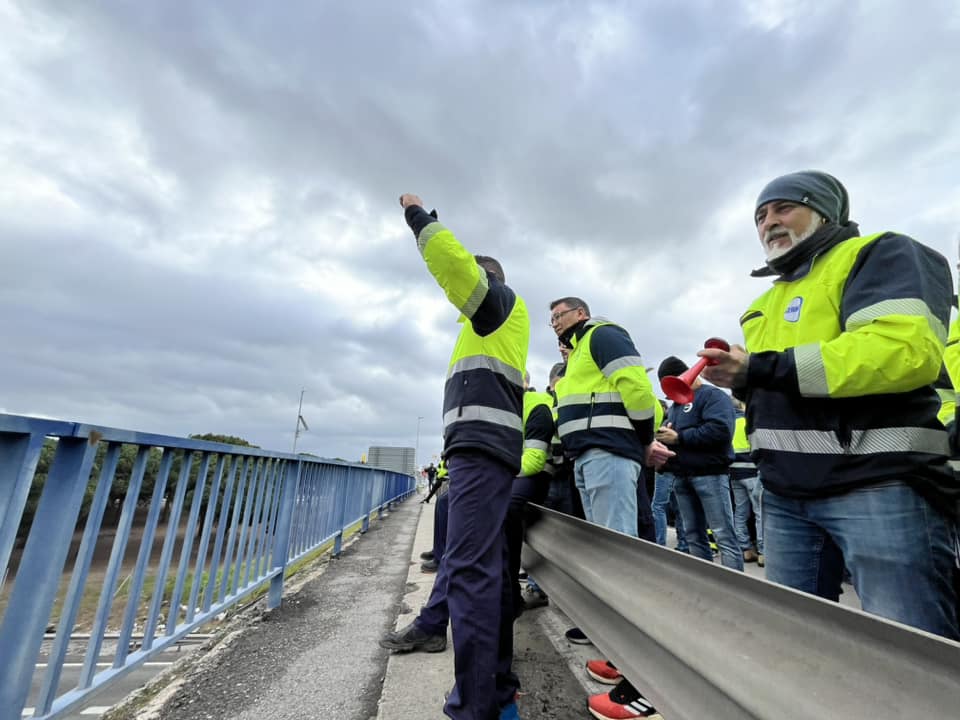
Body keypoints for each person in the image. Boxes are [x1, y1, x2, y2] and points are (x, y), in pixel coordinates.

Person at [701, 170, 959, 640]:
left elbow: (902, 354)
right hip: (783, 492)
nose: (769, 223)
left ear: (825, 211)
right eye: (760, 216)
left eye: (784, 208)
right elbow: (780, 381)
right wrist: (739, 380)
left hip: (877, 483)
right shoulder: (763, 302)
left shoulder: (880, 253)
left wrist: (758, 370)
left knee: (911, 650)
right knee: (794, 644)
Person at [379, 194, 531, 719]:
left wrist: (420, 219)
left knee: (468, 572)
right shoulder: (482, 331)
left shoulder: (501, 303)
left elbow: (455, 267)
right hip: (484, 455)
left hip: (482, 453)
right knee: (486, 569)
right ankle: (497, 691)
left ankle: (474, 707)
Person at [549, 296, 672, 720]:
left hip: (606, 453)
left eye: (559, 316)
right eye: (551, 320)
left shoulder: (603, 334)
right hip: (589, 455)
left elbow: (637, 390)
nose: (554, 324)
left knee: (619, 561)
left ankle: (641, 679)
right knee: (608, 556)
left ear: (579, 314)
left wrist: (641, 440)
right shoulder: (580, 351)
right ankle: (622, 658)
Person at [654, 357, 742, 570]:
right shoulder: (677, 404)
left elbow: (720, 431)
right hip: (682, 477)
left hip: (710, 475)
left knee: (723, 535)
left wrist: (678, 437)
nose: (668, 391)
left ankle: (736, 592)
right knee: (693, 536)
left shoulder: (713, 396)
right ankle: (708, 586)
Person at [730, 399, 763, 565]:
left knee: (740, 512)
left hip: (734, 473)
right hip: (752, 471)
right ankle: (763, 552)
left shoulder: (728, 422)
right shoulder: (748, 420)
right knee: (760, 512)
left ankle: (745, 549)